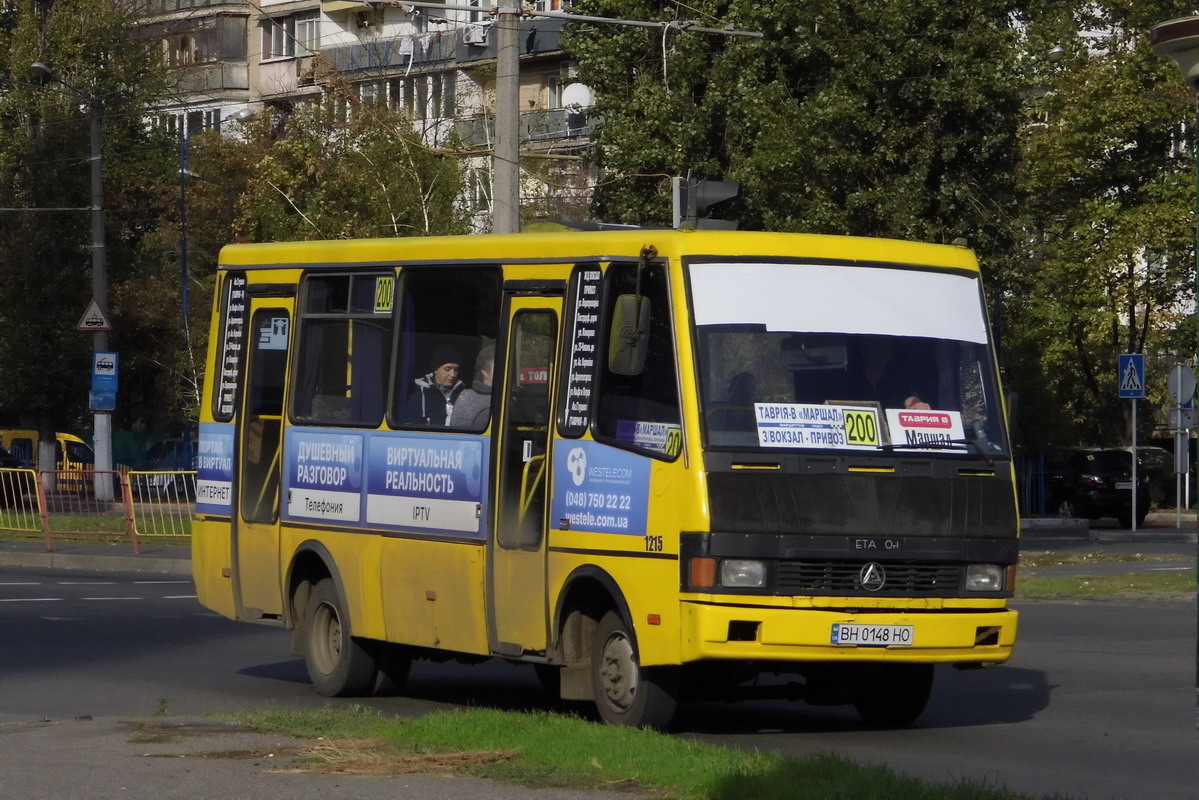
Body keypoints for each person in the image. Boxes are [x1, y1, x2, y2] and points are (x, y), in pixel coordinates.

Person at [405, 345, 464, 426]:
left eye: (456, 370)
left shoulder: (464, 395)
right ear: (436, 369)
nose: (452, 374)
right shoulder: (418, 397)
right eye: (447, 369)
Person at [449, 344, 494, 430]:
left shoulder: (513, 397)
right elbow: (457, 432)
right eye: (499, 367)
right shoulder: (468, 397)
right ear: (484, 371)